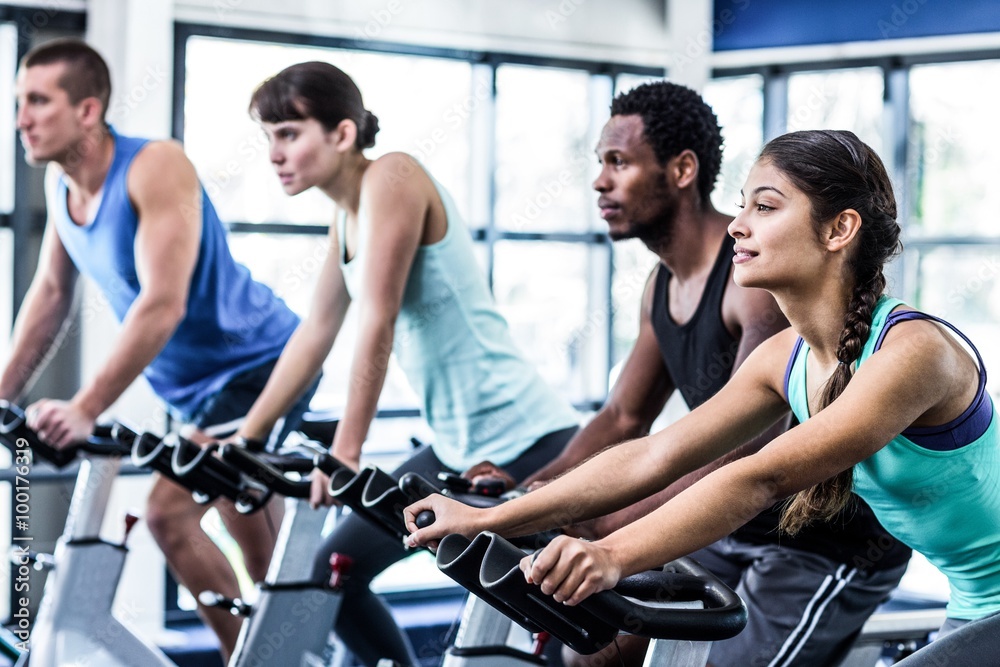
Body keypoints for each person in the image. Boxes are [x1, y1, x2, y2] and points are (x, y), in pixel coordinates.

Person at [407, 129, 1000, 666]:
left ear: (838, 229)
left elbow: (759, 478)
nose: (738, 225)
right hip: (976, 599)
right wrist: (489, 517)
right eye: (742, 205)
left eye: (764, 207)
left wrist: (612, 554)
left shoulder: (913, 352)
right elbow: (654, 455)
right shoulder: (785, 359)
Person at [235, 61, 579, 667]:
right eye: (267, 137)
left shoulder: (393, 175)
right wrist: (245, 436)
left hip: (524, 438)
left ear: (342, 134)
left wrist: (346, 451)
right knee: (333, 572)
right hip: (454, 446)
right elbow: (315, 333)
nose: (274, 154)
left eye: (288, 133)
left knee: (534, 600)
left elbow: (377, 319)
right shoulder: (344, 217)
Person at [3, 39, 316, 662]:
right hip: (199, 393)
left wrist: (87, 406)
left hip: (261, 366)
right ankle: (280, 650)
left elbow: (162, 303)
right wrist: (2, 392)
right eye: (18, 103)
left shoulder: (155, 166)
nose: (22, 119)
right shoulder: (62, 185)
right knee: (247, 529)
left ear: (88, 110)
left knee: (171, 515)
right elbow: (50, 298)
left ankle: (271, 655)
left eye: (37, 101)